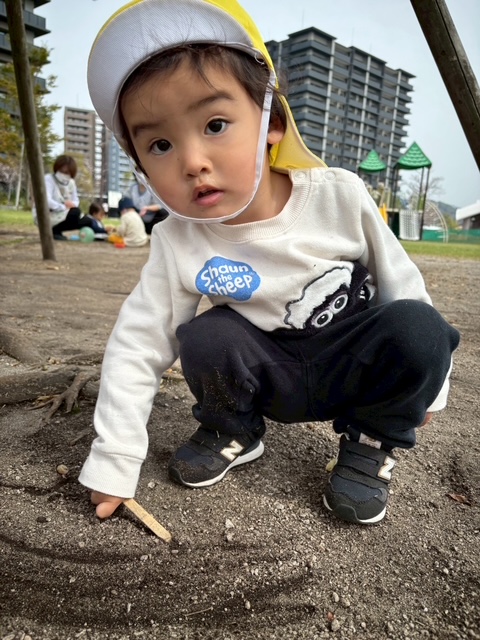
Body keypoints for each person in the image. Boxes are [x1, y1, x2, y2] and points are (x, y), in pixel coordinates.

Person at [80, 0, 460, 526]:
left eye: (215, 124)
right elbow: (138, 344)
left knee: (419, 327)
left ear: (271, 122)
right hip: (267, 376)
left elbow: (403, 284)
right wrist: (115, 459)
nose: (192, 162)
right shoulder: (179, 238)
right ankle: (233, 427)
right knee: (207, 335)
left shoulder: (338, 195)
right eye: (160, 144)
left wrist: (430, 384)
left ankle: (370, 443)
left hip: (350, 365)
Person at [34, 155, 91, 240]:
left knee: (87, 221)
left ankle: (58, 230)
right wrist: (64, 206)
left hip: (64, 213)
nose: (64, 174)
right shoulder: (49, 179)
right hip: (50, 213)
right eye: (62, 171)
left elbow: (76, 200)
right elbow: (46, 200)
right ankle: (53, 230)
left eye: (67, 172)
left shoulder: (71, 182)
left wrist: (72, 204)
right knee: (75, 212)